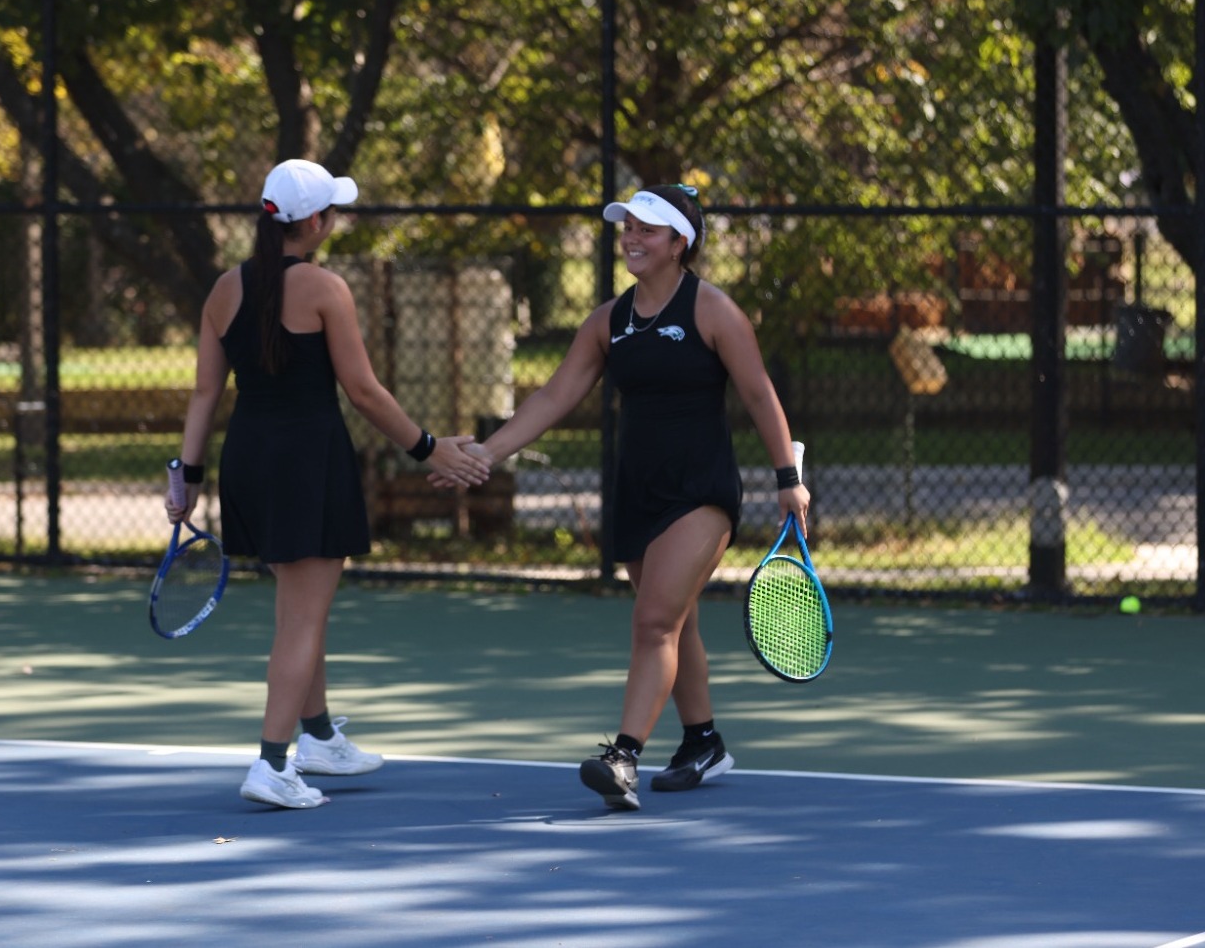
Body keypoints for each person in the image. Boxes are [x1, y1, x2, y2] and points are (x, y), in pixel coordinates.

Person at [453, 183, 809, 809]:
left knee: (653, 622)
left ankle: (623, 757)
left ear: (680, 243)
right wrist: (488, 451)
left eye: (648, 229)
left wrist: (788, 479)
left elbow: (759, 394)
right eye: (628, 229)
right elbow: (553, 397)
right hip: (636, 491)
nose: (633, 238)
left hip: (701, 492)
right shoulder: (608, 321)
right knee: (677, 621)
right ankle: (702, 742)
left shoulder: (714, 311)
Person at [167, 159, 490, 809]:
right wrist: (430, 448)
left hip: (249, 461)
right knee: (301, 620)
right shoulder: (324, 289)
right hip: (307, 460)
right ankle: (271, 763)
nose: (334, 219)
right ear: (313, 222)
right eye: (332, 210)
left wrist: (187, 475)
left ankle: (316, 738)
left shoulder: (223, 290)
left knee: (297, 611)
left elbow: (205, 393)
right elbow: (364, 392)